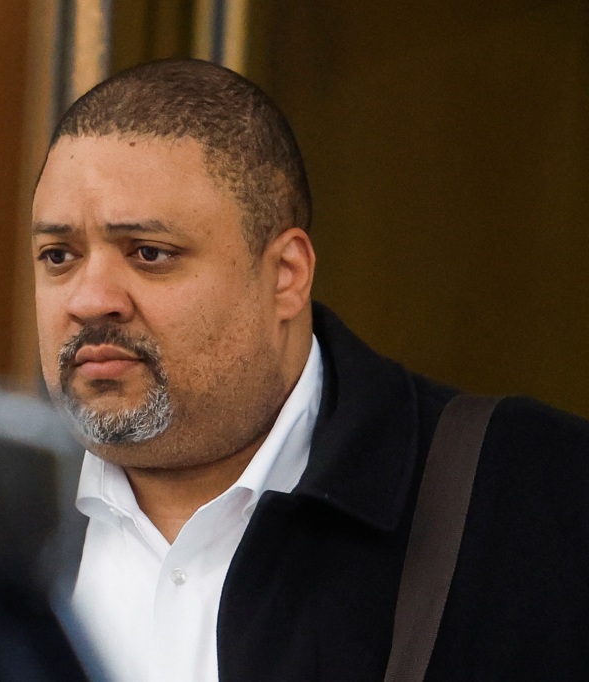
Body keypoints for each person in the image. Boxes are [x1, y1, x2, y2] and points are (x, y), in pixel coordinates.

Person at [31, 58, 589, 682]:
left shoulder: (532, 497)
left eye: (150, 253)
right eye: (58, 256)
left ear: (286, 276)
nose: (87, 299)